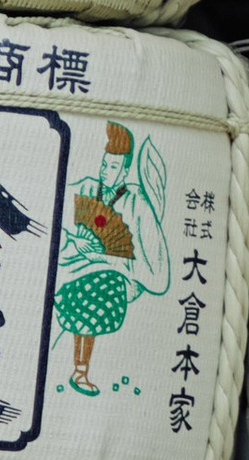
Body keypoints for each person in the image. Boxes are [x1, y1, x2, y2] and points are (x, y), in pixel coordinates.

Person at [55, 119, 171, 392]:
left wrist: (106, 258)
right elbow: (55, 217)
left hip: (115, 277)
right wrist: (75, 241)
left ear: (126, 169)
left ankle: (80, 370)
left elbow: (150, 261)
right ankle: (77, 369)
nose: (106, 171)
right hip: (74, 264)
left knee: (94, 289)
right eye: (105, 165)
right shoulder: (84, 188)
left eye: (114, 167)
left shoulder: (136, 203)